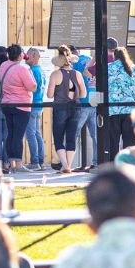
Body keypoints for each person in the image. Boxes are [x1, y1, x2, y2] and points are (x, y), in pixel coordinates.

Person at [0, 45, 36, 174]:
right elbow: (32, 87)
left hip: (7, 103)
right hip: (21, 105)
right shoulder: (22, 68)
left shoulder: (3, 66)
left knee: (10, 134)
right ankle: (18, 164)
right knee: (18, 135)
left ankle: (11, 163)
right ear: (20, 55)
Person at [48, 47, 86, 175]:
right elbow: (83, 94)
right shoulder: (78, 74)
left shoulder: (55, 74)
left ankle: (65, 165)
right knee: (71, 137)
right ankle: (68, 165)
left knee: (58, 137)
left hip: (60, 107)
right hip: (76, 106)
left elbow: (49, 94)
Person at [106, 42, 135, 158]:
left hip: (113, 109)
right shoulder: (133, 68)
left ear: (115, 56)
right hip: (131, 109)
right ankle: (129, 165)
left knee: (113, 141)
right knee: (130, 141)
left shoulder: (109, 67)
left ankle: (113, 165)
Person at [71, 48, 99, 169]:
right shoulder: (90, 60)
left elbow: (73, 82)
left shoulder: (74, 63)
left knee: (73, 133)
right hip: (95, 100)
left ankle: (66, 163)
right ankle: (96, 162)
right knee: (96, 135)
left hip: (82, 101)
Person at [23, 46, 46, 171]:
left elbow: (31, 87)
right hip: (40, 103)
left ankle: (35, 161)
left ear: (33, 56)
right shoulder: (41, 70)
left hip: (32, 104)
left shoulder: (32, 71)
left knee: (30, 133)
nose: (25, 58)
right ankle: (41, 161)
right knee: (37, 133)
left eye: (27, 55)